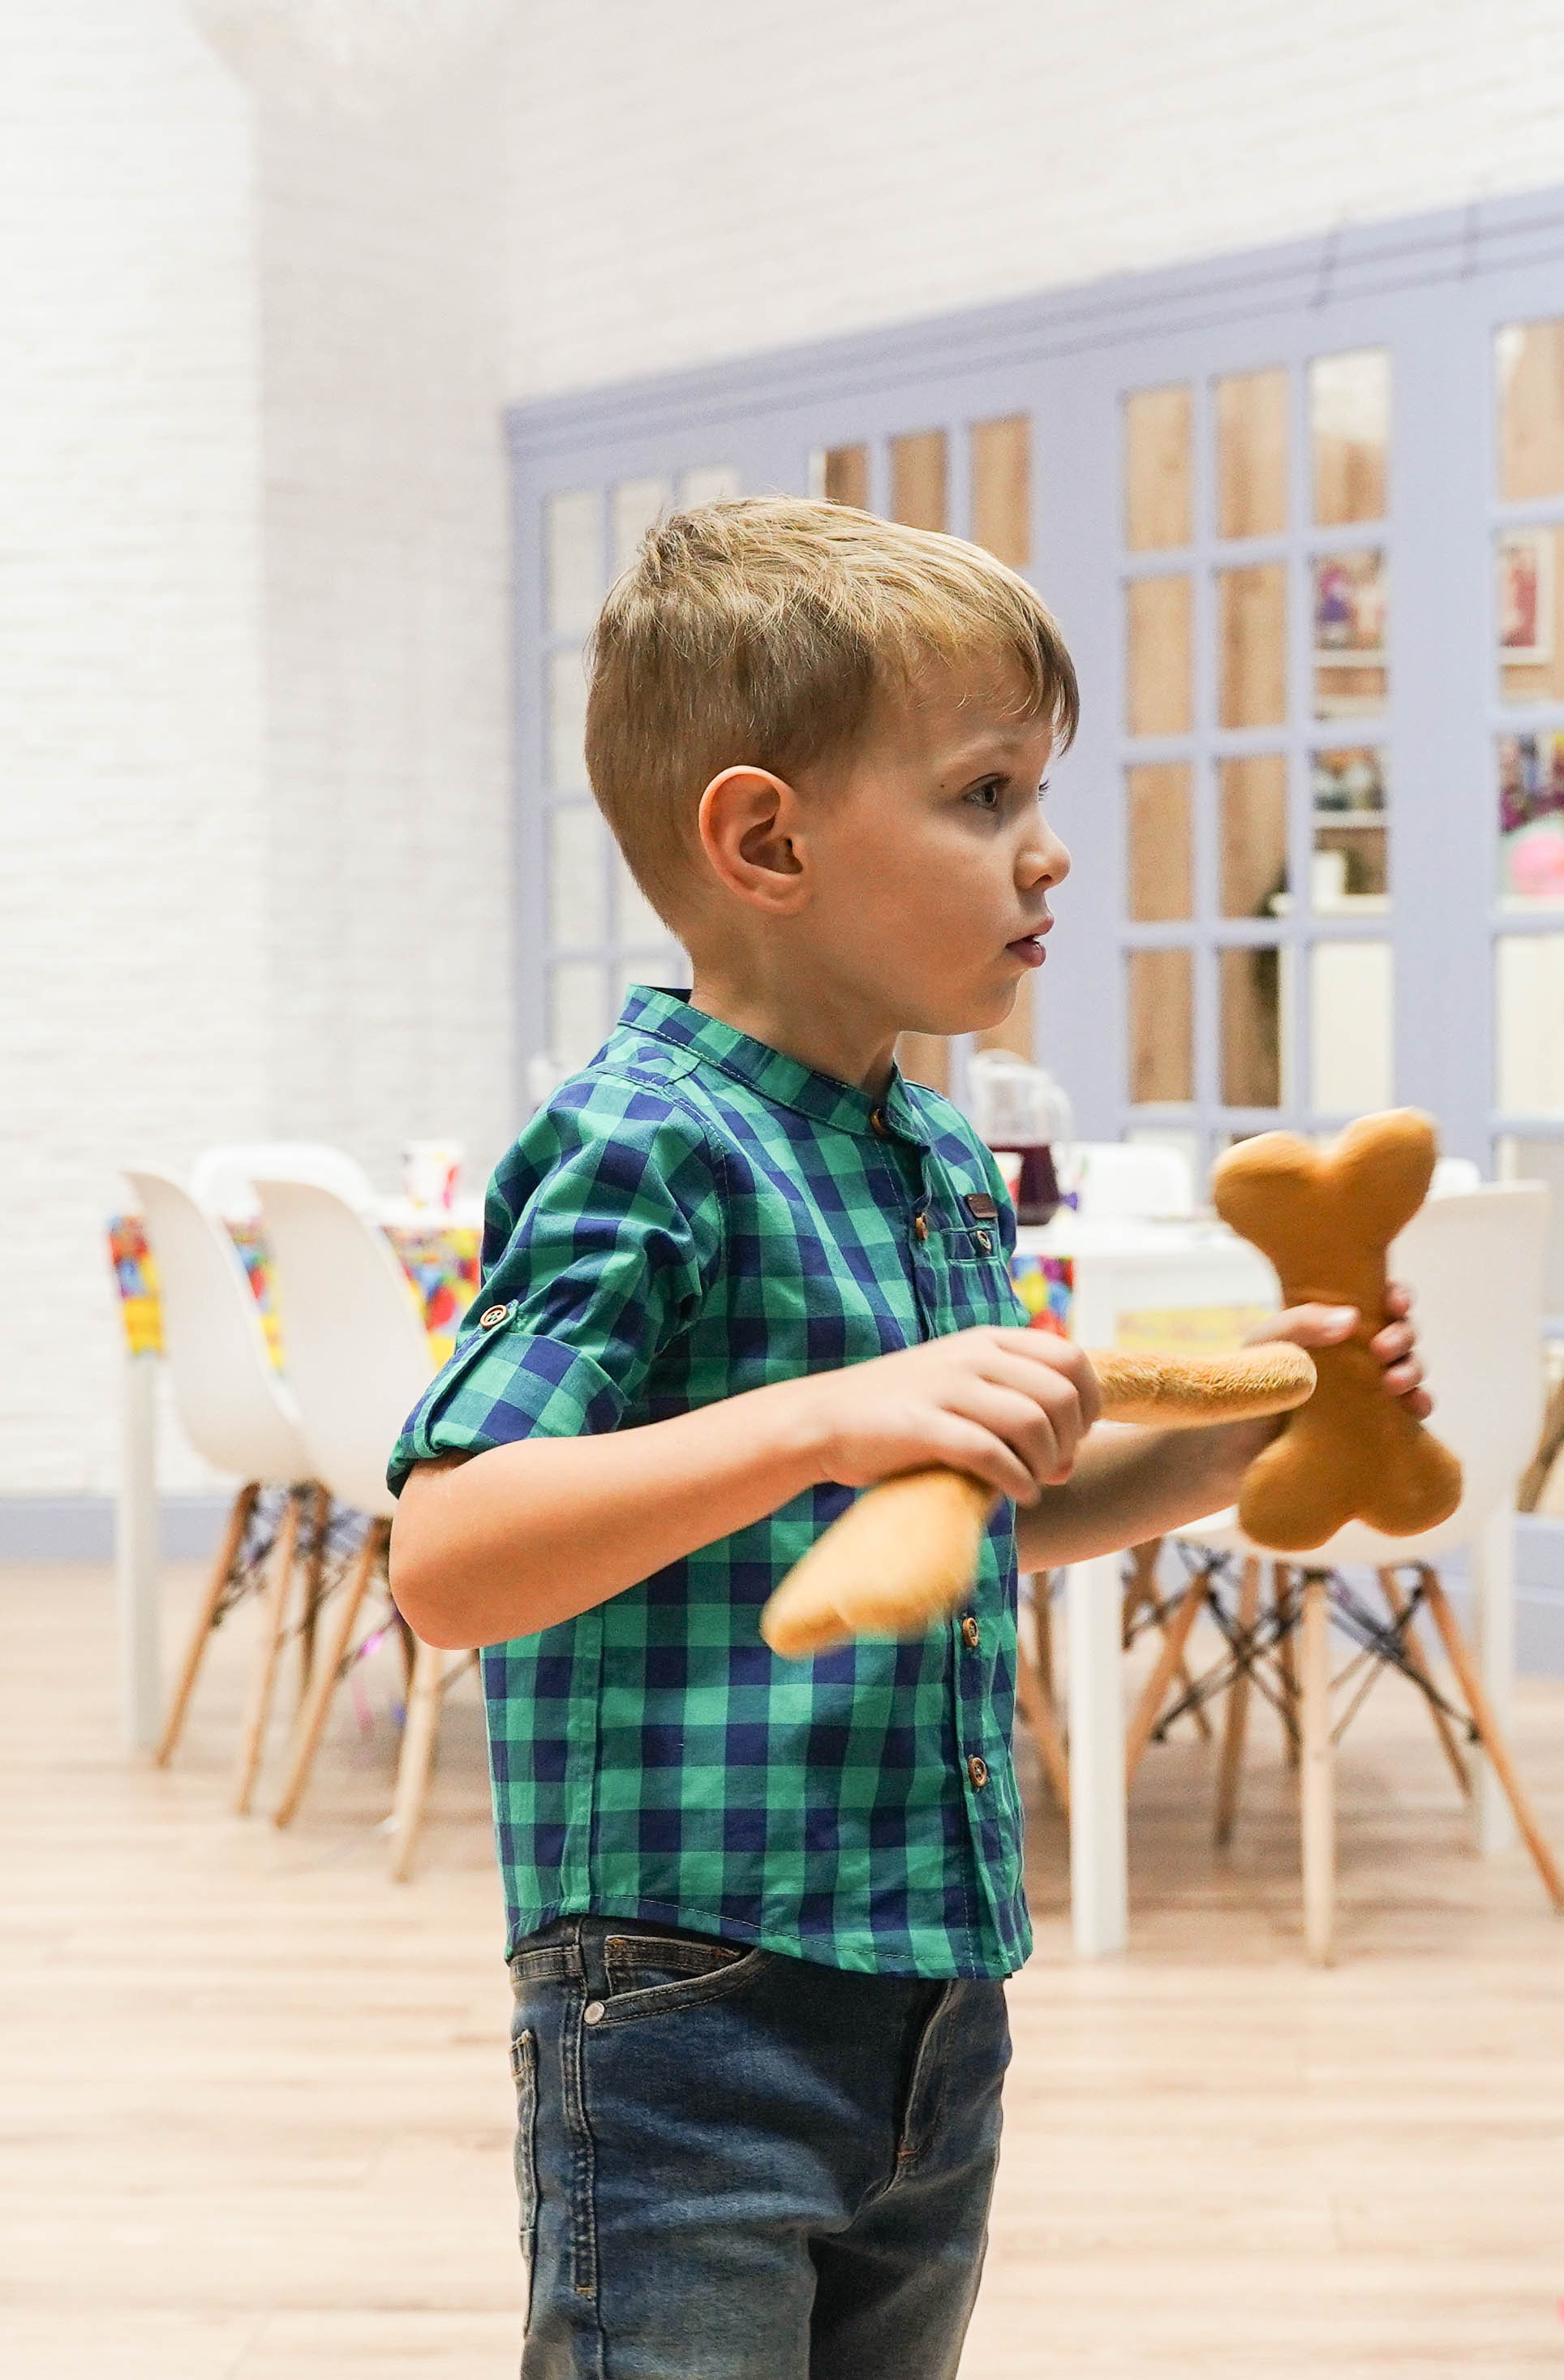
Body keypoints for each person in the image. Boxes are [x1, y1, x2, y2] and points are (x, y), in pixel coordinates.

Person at [387, 499, 1428, 2380]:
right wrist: (814, 1420)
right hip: (688, 1997)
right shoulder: (646, 1148)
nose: (1046, 854)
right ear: (766, 839)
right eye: (982, 794)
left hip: (933, 1987)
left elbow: (959, 1519)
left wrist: (1236, 1442)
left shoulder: (932, 1155)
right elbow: (452, 1555)